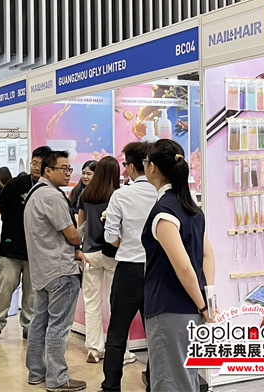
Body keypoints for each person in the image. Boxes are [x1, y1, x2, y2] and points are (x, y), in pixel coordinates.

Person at [142, 139, 216, 392]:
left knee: (170, 380)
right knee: (186, 378)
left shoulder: (164, 211)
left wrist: (203, 305)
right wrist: (206, 302)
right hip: (192, 308)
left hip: (168, 308)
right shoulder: (192, 208)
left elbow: (183, 267)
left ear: (152, 167)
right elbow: (207, 255)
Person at [23, 150, 88, 392]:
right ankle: (57, 378)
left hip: (42, 270)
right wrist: (82, 235)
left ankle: (36, 373)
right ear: (48, 171)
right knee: (58, 326)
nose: (68, 173)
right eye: (64, 168)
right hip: (60, 269)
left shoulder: (35, 193)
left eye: (70, 168)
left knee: (39, 322)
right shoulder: (52, 195)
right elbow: (71, 235)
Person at [100, 142, 156, 392]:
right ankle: (154, 381)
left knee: (117, 333)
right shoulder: (162, 194)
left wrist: (127, 242)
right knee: (155, 332)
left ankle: (111, 386)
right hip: (156, 270)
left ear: (132, 167)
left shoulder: (121, 195)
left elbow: (110, 236)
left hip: (128, 270)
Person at [0, 146, 51, 345]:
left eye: (41, 164)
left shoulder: (50, 188)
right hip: (11, 249)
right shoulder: (16, 183)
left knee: (32, 294)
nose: (36, 167)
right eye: (34, 163)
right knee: (3, 290)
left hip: (37, 253)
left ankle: (29, 327)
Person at [77, 156, 126, 364]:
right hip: (112, 252)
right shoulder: (117, 195)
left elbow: (81, 226)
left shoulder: (85, 194)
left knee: (92, 303)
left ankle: (93, 348)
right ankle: (119, 351)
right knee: (116, 303)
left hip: (89, 253)